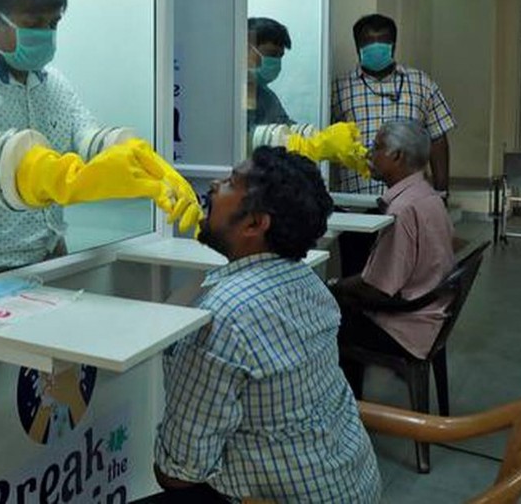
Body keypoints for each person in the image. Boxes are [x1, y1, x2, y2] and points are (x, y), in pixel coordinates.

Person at [0, 0, 200, 284]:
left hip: (49, 254)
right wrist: (75, 180)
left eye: (53, 24)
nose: (46, 34)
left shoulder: (52, 82)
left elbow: (87, 138)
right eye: (34, 23)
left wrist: (134, 156)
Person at [151, 147, 381, 503]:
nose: (213, 186)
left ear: (256, 224)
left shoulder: (224, 318)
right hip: (354, 489)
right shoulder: (309, 284)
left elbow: (178, 473)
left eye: (229, 183)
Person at [329, 120, 455, 397]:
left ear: (397, 156)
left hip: (410, 326)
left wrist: (333, 286)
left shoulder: (403, 209)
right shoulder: (426, 195)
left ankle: (348, 413)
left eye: (377, 148)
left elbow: (376, 286)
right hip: (432, 312)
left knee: (326, 319)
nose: (369, 155)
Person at [331, 14, 455, 197]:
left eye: (381, 43)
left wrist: (442, 193)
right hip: (355, 201)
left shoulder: (421, 83)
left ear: (393, 46)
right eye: (368, 44)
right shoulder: (338, 89)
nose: (375, 49)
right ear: (358, 47)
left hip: (412, 201)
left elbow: (437, 140)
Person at [246, 17, 294, 129]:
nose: (276, 62)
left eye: (280, 56)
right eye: (272, 54)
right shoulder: (222, 94)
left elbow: (285, 127)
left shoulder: (266, 97)